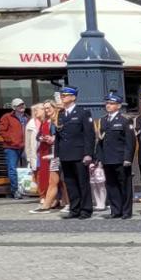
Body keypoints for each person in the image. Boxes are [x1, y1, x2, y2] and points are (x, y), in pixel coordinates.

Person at [52, 87, 96, 219]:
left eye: (66, 95)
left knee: (82, 182)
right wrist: (57, 155)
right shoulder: (61, 114)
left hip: (79, 153)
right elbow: (58, 137)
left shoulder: (83, 113)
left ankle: (86, 209)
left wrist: (88, 153)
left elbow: (89, 135)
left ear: (73, 97)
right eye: (62, 95)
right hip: (65, 153)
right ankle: (74, 208)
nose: (63, 97)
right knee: (70, 183)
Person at [0, 98, 27, 199]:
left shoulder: (27, 117)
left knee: (29, 168)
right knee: (12, 169)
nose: (22, 106)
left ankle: (29, 190)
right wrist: (12, 140)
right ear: (14, 107)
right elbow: (1, 131)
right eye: (19, 105)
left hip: (25, 147)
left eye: (23, 104)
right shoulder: (7, 117)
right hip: (11, 147)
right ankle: (15, 191)